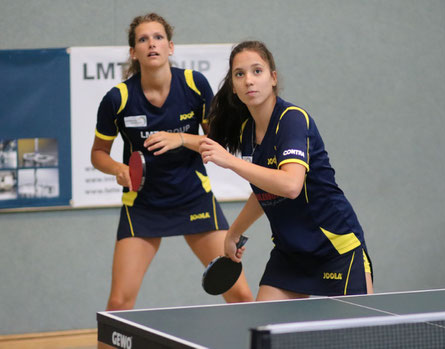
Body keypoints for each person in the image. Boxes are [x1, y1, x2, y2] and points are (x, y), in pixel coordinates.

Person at [91, 13, 253, 310]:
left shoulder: (194, 85)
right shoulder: (118, 99)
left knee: (241, 295)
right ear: (133, 52)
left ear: (170, 46)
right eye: (143, 39)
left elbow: (217, 144)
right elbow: (98, 153)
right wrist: (118, 168)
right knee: (118, 305)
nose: (151, 44)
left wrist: (181, 139)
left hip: (193, 199)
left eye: (158, 37)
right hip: (143, 206)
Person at [199, 41, 373, 301]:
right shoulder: (247, 133)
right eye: (240, 74)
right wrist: (234, 232)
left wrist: (231, 162)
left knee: (358, 336)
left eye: (257, 71)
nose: (248, 80)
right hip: (290, 253)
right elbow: (265, 191)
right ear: (234, 87)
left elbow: (291, 185)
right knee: (264, 333)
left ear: (273, 78)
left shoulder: (291, 119)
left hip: (334, 248)